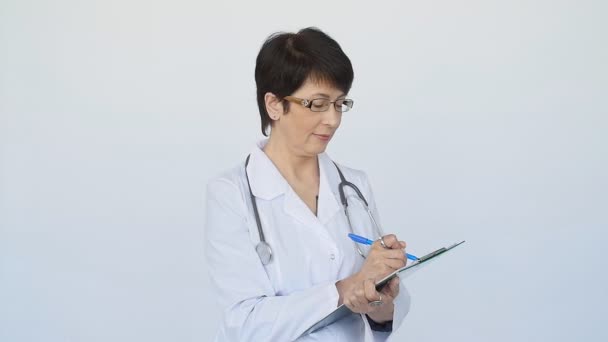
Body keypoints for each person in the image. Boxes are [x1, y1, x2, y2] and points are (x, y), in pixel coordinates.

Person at [205, 27, 411, 341]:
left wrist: (379, 296)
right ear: (274, 104)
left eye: (340, 104)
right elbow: (243, 323)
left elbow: (380, 319)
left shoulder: (354, 185)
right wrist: (343, 291)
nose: (332, 119)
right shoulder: (230, 193)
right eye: (317, 104)